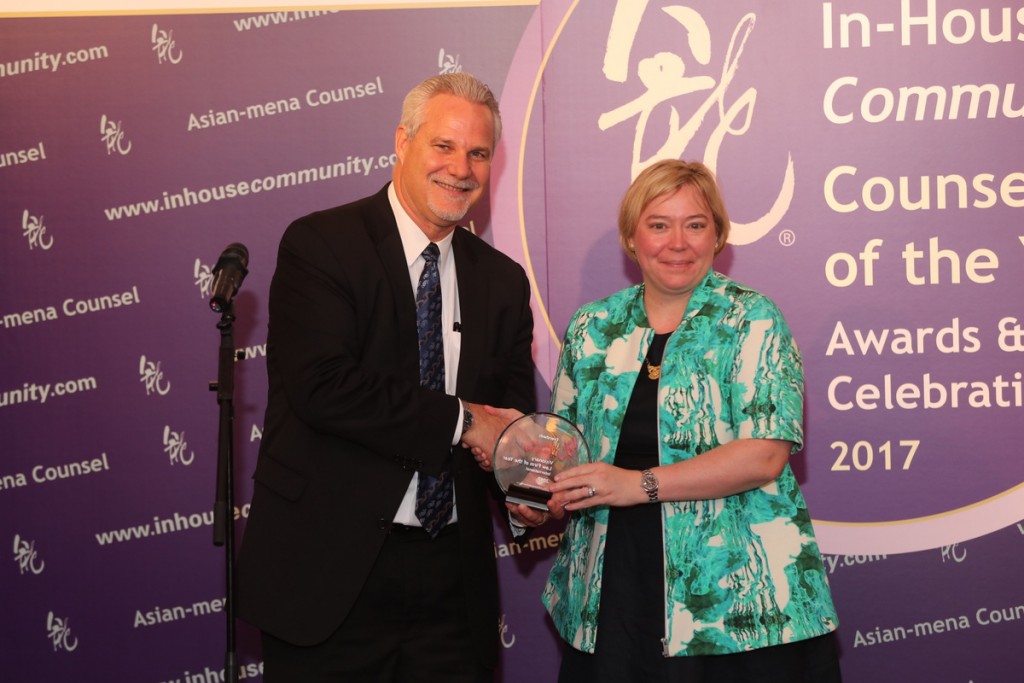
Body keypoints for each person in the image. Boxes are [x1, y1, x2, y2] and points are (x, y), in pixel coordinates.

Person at [236, 72, 542, 683]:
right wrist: (465, 422)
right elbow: (325, 387)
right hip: (328, 578)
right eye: (443, 146)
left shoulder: (503, 282)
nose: (461, 169)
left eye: (479, 153)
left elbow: (508, 423)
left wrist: (526, 492)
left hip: (452, 589)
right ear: (402, 142)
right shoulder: (321, 244)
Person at [541, 159, 842, 682]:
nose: (677, 242)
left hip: (738, 602)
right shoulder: (592, 326)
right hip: (613, 591)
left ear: (718, 236)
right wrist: (531, 493)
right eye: (659, 225)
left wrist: (638, 484)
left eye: (695, 224)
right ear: (631, 238)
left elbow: (764, 455)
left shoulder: (753, 318)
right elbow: (564, 447)